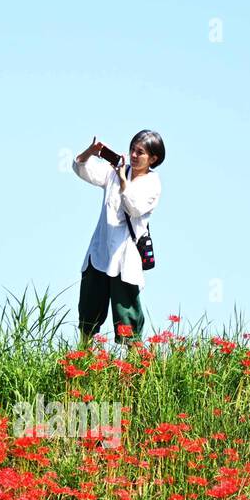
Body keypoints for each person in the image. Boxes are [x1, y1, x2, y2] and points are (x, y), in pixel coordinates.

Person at [71, 130, 164, 346]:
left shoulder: (152, 183)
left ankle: (134, 373)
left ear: (153, 158)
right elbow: (80, 168)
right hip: (99, 251)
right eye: (132, 149)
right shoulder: (115, 171)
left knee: (127, 319)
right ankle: (80, 360)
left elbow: (134, 207)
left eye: (140, 152)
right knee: (88, 313)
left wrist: (123, 179)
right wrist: (91, 152)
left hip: (125, 258)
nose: (133, 155)